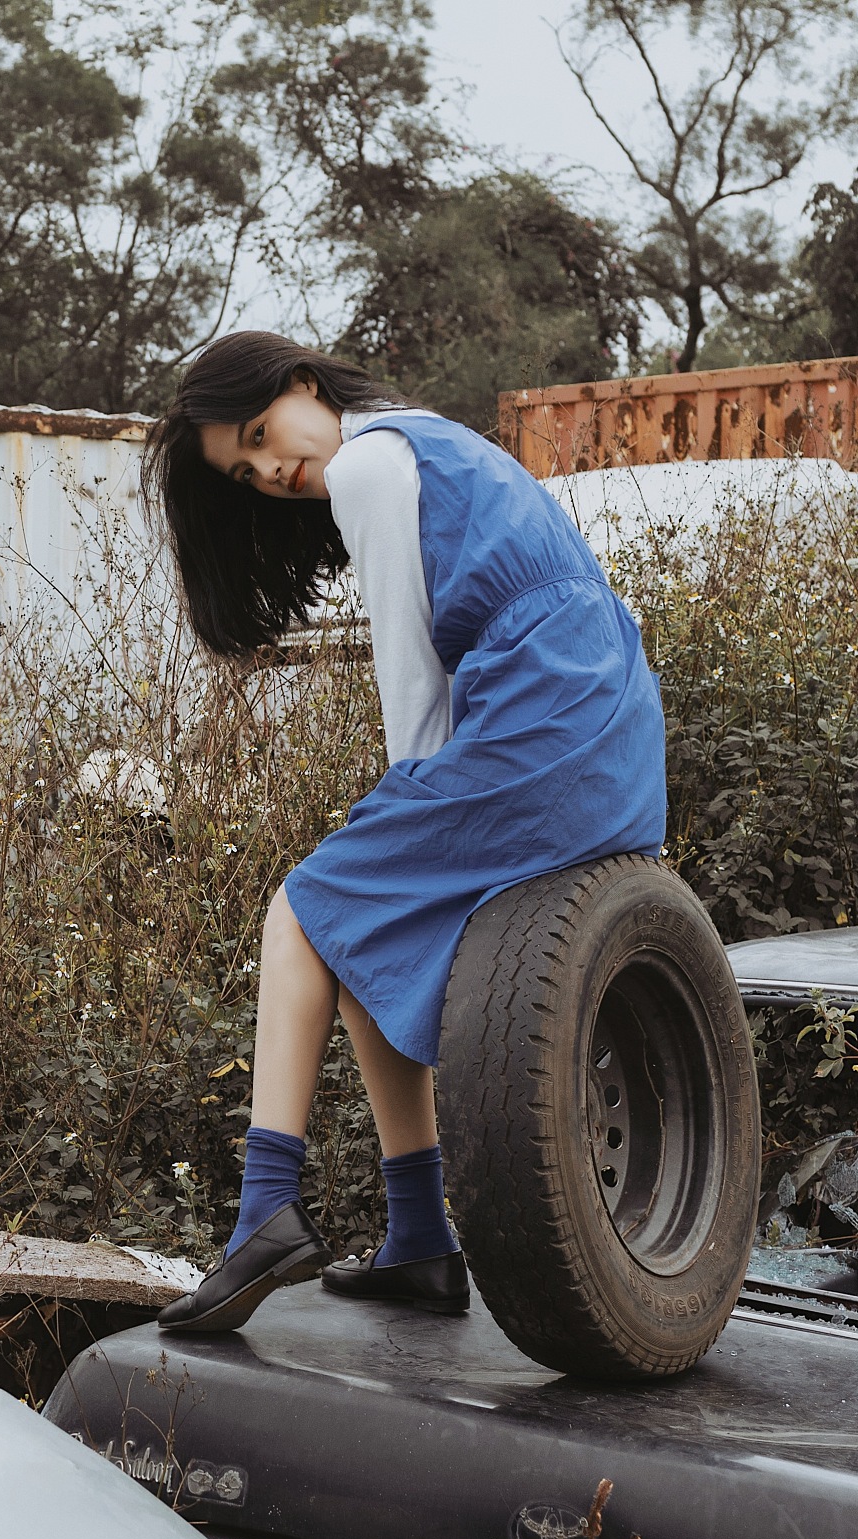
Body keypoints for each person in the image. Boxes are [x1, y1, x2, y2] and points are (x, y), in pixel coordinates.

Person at [143, 332, 666, 1334]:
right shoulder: (417, 439)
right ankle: (420, 1237)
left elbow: (413, 691)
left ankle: (264, 1212)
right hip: (596, 715)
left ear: (301, 384)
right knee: (359, 927)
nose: (267, 469)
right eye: (244, 470)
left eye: (259, 434)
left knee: (304, 908)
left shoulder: (370, 465)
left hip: (546, 712)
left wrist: (401, 807)